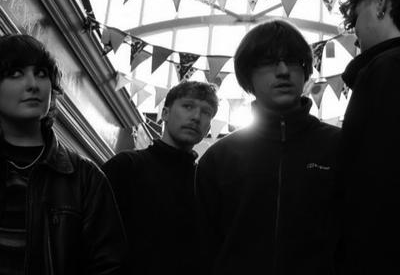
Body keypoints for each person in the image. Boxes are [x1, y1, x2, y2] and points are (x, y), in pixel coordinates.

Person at [195, 19, 341, 275]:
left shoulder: (339, 145)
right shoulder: (220, 157)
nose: (283, 71)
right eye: (268, 62)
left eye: (293, 61)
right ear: (247, 76)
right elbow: (201, 246)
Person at [0, 34, 127, 275]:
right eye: (16, 73)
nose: (33, 85)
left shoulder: (85, 178)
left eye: (41, 73)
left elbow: (109, 265)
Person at [102, 80, 219, 275]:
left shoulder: (206, 186)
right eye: (188, 106)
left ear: (208, 129)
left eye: (206, 112)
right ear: (165, 113)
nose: (196, 117)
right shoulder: (126, 166)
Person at [337, 0, 400, 274]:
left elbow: (377, 185)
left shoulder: (388, 69)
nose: (355, 35)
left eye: (355, 19)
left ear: (381, 1)